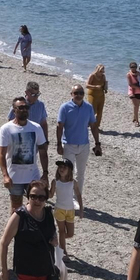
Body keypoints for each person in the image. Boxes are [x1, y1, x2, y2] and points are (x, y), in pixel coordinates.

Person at [54, 84, 100, 212]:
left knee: (81, 174)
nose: (78, 95)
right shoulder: (65, 107)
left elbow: (93, 126)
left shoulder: (88, 107)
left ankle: (76, 198)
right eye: (76, 93)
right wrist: (58, 144)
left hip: (84, 145)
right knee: (67, 173)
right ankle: (66, 198)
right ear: (71, 94)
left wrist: (97, 143)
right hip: (68, 145)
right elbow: (59, 126)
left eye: (81, 93)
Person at [0, 96, 49, 213]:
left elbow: (42, 151)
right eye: (20, 107)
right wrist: (5, 175)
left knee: (35, 206)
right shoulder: (6, 129)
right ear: (14, 110)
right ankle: (16, 231)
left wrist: (45, 173)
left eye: (26, 107)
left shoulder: (36, 128)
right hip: (14, 177)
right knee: (16, 208)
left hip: (32, 176)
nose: (24, 110)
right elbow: (1, 154)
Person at [49, 157, 77, 260]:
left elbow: (78, 194)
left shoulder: (73, 182)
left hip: (70, 210)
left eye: (64, 167)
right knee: (61, 231)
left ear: (69, 170)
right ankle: (64, 251)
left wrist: (81, 209)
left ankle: (56, 240)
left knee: (70, 233)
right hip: (59, 209)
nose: (61, 169)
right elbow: (51, 195)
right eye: (60, 167)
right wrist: (45, 189)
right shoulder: (55, 182)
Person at [85, 64, 108, 131]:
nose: (102, 72)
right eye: (100, 71)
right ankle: (87, 122)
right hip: (92, 95)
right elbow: (87, 85)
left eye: (103, 70)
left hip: (101, 95)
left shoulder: (103, 76)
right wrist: (95, 87)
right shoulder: (92, 76)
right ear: (97, 70)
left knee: (100, 111)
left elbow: (104, 84)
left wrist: (105, 88)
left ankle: (97, 126)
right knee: (93, 110)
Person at [127, 61, 140, 127]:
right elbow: (130, 84)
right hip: (132, 91)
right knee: (136, 106)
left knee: (137, 106)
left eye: (134, 67)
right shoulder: (128, 74)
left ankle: (134, 117)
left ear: (136, 67)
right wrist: (139, 87)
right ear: (130, 67)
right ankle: (137, 121)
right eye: (132, 67)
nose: (133, 68)